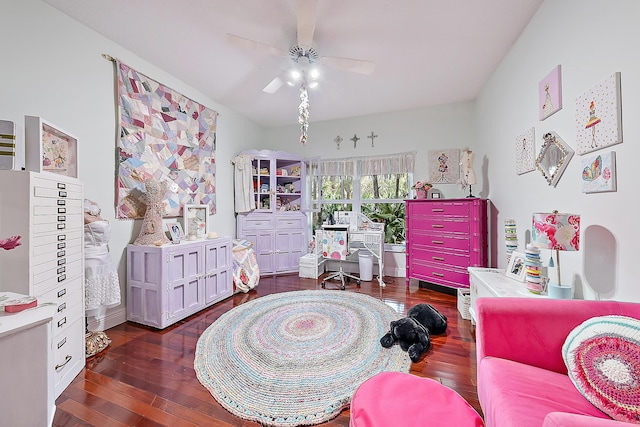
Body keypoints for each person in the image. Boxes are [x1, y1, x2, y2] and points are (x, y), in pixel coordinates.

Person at [84, 199, 121, 356]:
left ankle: (88, 331)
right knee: (89, 292)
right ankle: (83, 332)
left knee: (99, 290)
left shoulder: (97, 215)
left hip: (104, 257)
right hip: (90, 258)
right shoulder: (81, 215)